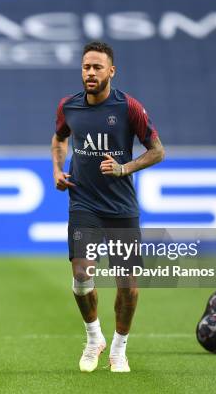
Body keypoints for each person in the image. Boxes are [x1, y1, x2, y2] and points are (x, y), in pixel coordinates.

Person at [51, 41, 164, 373]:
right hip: (83, 203)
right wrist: (58, 170)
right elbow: (60, 138)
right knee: (81, 276)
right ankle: (93, 338)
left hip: (120, 207)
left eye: (97, 67)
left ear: (111, 71)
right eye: (86, 66)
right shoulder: (68, 106)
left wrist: (124, 168)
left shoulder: (128, 107)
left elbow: (157, 151)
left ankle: (119, 347)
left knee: (127, 286)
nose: (90, 72)